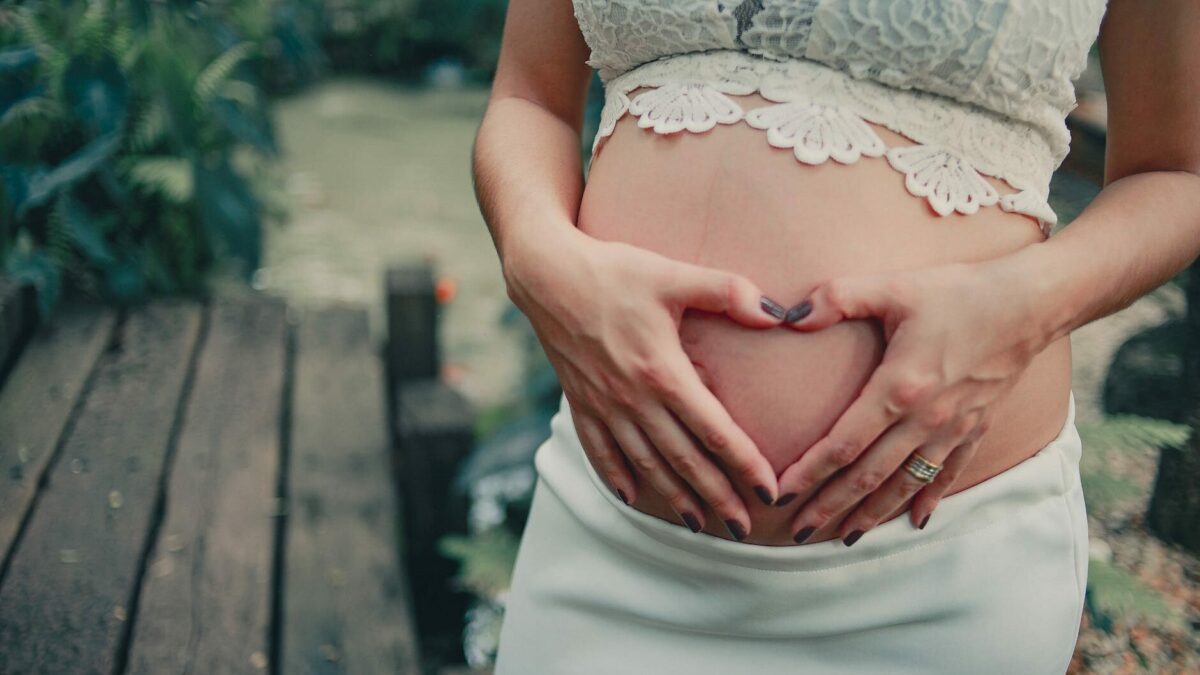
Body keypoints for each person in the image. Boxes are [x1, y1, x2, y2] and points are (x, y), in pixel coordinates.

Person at [471, 0, 1200, 672]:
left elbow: (1176, 175)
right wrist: (537, 259)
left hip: (937, 570)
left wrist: (1021, 306)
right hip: (607, 538)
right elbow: (527, 99)